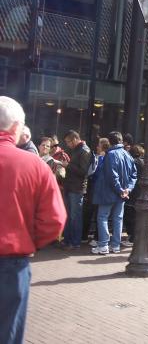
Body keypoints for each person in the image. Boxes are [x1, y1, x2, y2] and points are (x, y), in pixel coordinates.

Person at [0, 96, 66, 344]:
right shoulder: (35, 165)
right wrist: (29, 240)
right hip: (11, 263)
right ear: (16, 128)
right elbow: (55, 219)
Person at [92, 131, 137, 254]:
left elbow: (112, 175)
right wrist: (127, 189)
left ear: (110, 142)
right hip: (122, 193)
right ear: (121, 140)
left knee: (102, 217)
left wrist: (120, 190)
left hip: (109, 192)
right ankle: (115, 245)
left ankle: (103, 245)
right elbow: (134, 174)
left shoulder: (110, 154)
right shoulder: (128, 155)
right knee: (118, 218)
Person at [61, 130, 92, 250]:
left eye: (68, 142)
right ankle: (68, 240)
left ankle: (75, 242)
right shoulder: (77, 149)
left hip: (77, 188)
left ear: (74, 139)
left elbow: (83, 172)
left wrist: (68, 166)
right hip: (71, 186)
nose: (67, 144)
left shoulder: (84, 150)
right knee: (69, 215)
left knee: (75, 216)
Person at [83, 138, 110, 247]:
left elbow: (97, 174)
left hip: (98, 190)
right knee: (94, 214)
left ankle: (98, 238)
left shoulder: (104, 159)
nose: (97, 147)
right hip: (95, 190)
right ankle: (89, 236)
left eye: (99, 145)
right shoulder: (99, 157)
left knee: (100, 215)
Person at [123, 145, 145, 246]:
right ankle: (132, 236)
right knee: (135, 215)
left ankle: (132, 237)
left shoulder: (133, 162)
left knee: (130, 215)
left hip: (132, 190)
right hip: (140, 191)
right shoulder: (143, 162)